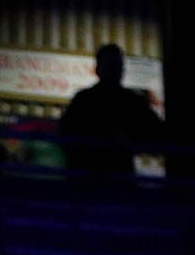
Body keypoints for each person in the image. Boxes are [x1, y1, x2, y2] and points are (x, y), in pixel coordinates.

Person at [58, 43, 164, 176]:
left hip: (94, 180)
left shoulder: (84, 100)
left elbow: (156, 134)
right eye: (112, 66)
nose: (115, 70)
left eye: (117, 66)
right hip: (102, 179)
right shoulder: (131, 101)